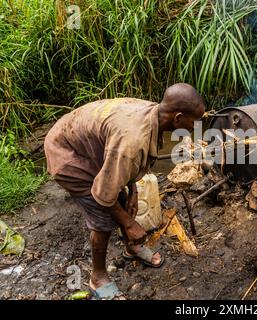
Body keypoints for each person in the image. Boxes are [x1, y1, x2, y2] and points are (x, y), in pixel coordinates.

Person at [44, 83, 205, 299]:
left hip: (92, 146)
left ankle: (132, 248)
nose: (196, 126)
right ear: (177, 118)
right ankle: (98, 276)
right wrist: (129, 223)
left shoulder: (154, 113)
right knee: (102, 217)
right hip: (67, 153)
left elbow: (124, 162)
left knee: (122, 199)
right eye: (194, 121)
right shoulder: (133, 141)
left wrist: (133, 191)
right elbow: (103, 192)